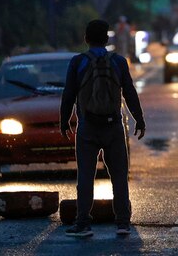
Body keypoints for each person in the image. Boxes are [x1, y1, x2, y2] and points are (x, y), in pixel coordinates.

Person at [60, 19, 146, 238]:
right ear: (107, 39)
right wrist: (139, 119)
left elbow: (69, 94)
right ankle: (123, 223)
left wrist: (64, 120)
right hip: (114, 126)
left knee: (86, 177)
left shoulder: (78, 62)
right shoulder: (118, 61)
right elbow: (129, 92)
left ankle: (83, 224)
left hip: (87, 127)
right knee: (119, 176)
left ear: (86, 39)